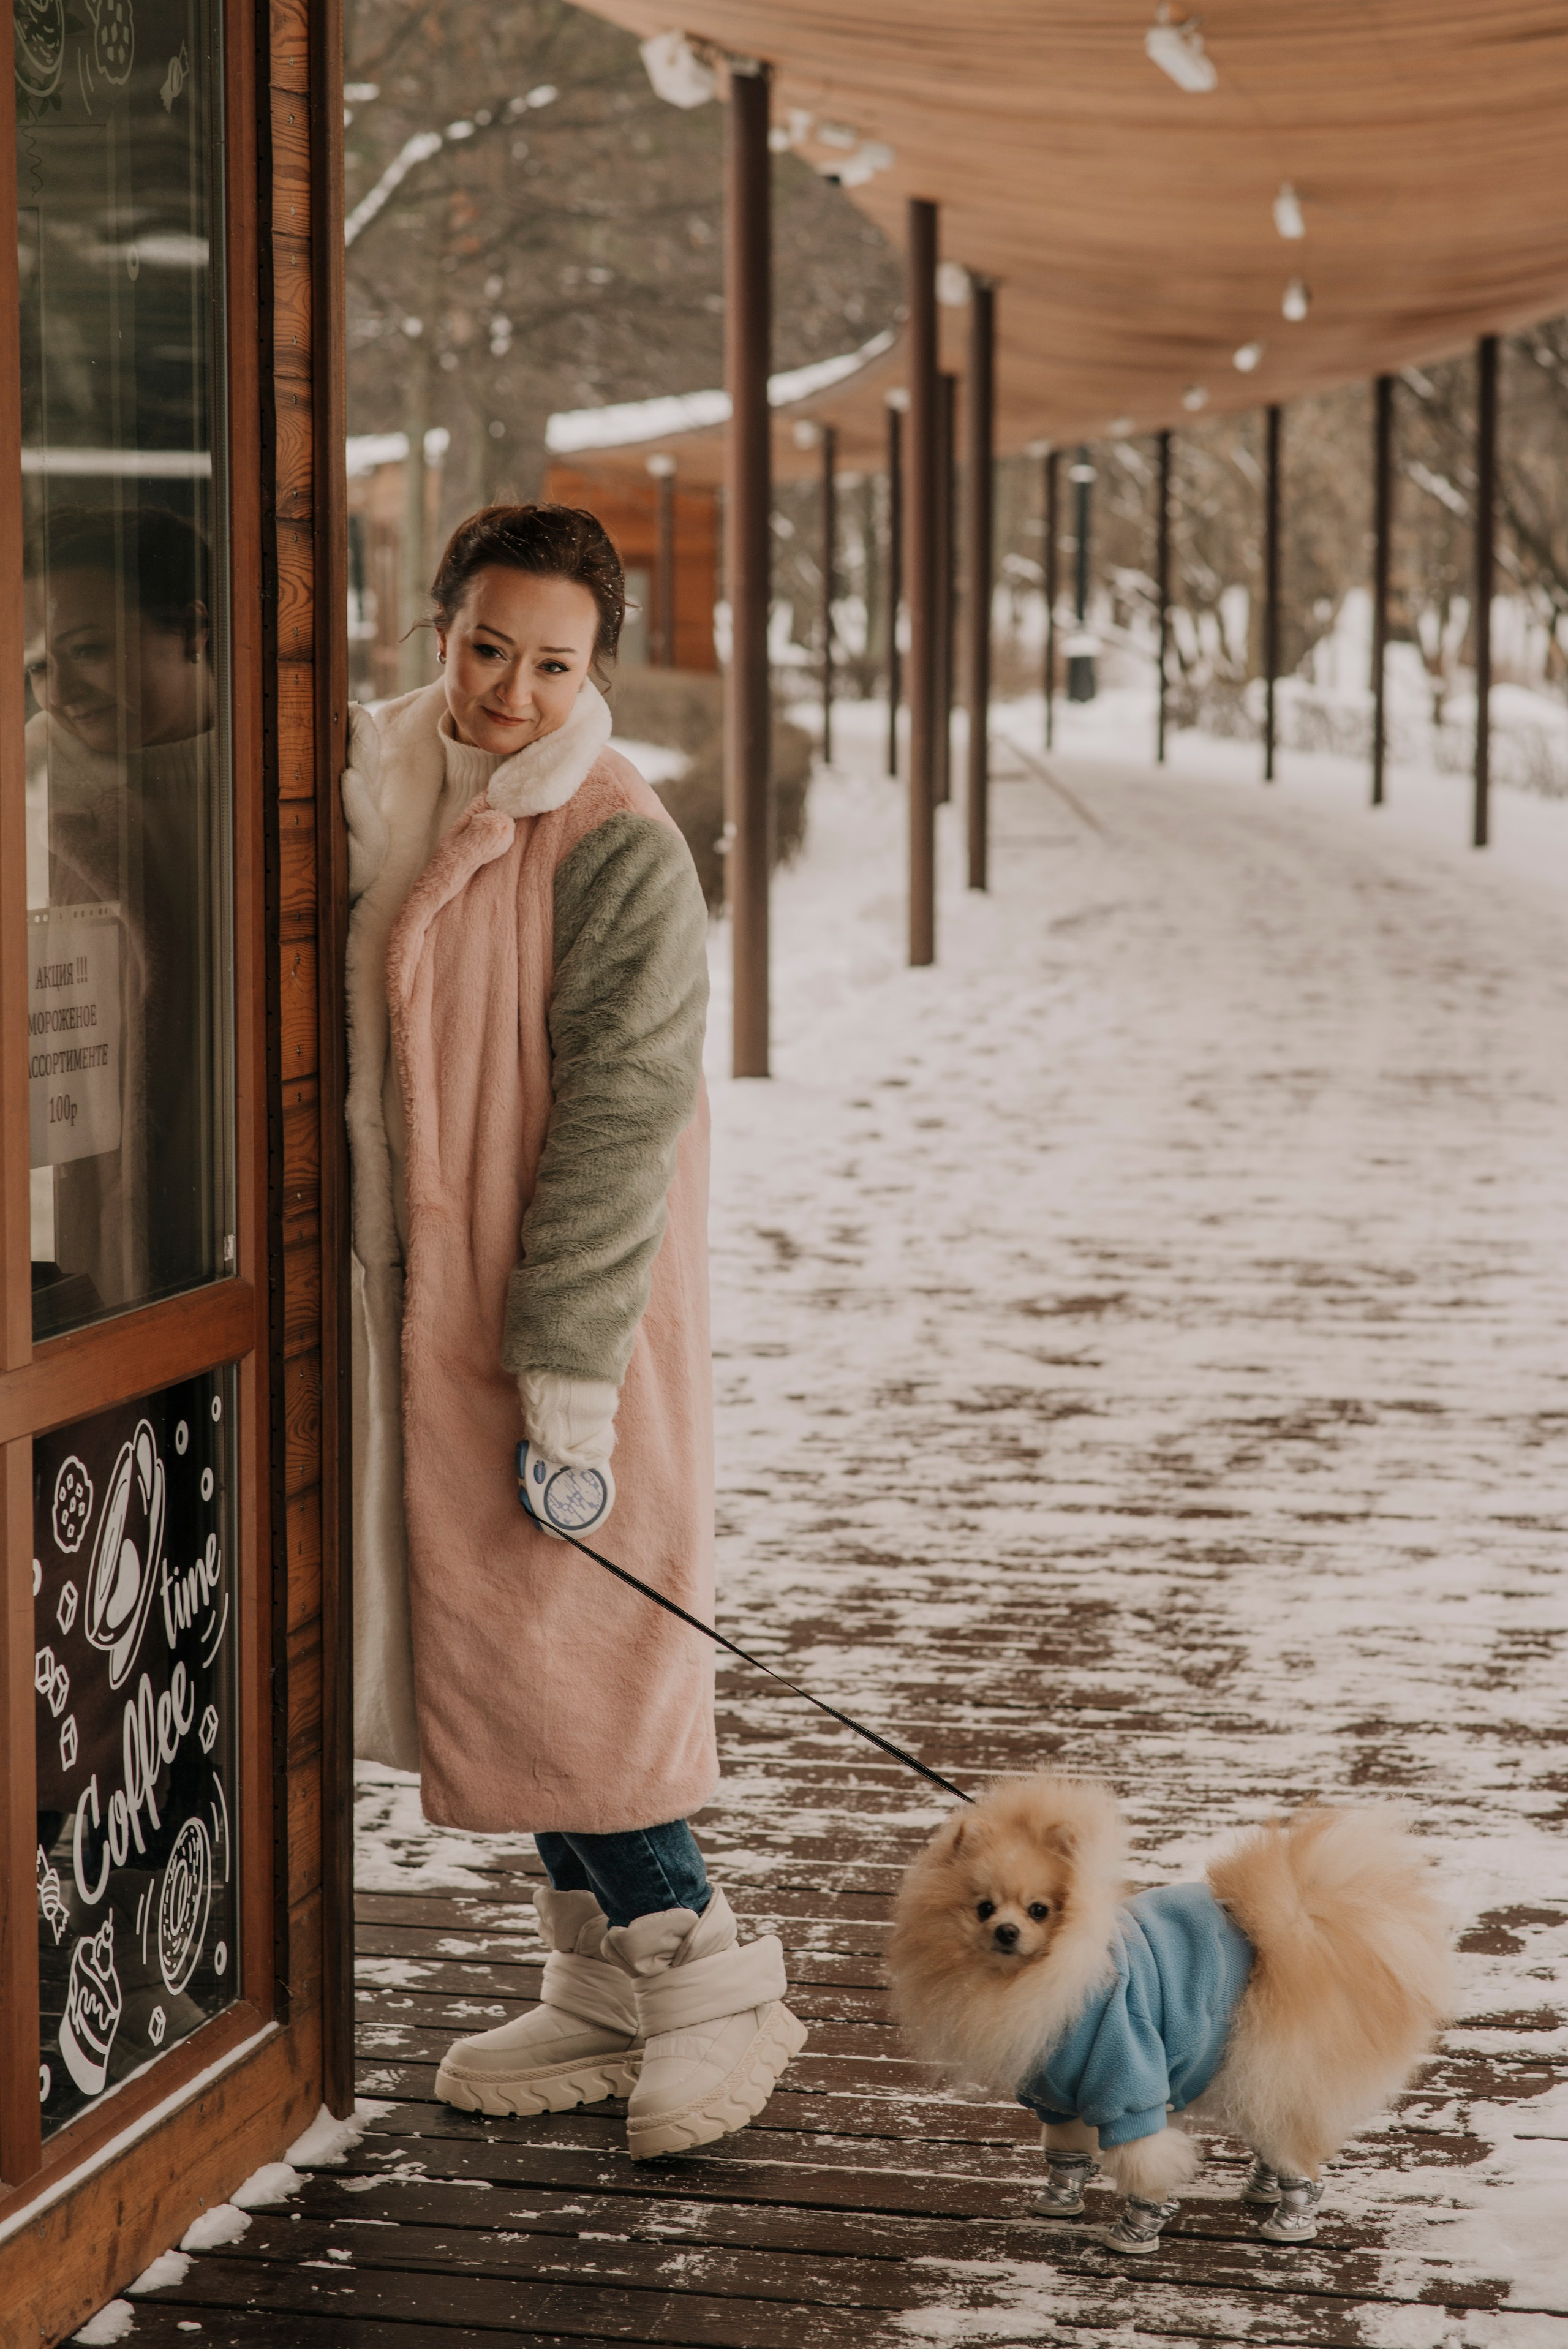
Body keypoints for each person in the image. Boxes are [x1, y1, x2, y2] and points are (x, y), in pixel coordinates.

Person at [342, 503, 804, 2160]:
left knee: (581, 1649)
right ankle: (601, 1978)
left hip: (560, 1322)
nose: (513, 690)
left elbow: (619, 1125)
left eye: (555, 663)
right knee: (506, 1652)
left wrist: (566, 1383)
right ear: (437, 628)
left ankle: (708, 1970)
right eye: (486, 647)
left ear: (594, 667)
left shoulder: (613, 838)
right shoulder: (379, 783)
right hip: (410, 1301)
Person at [22, 504, 221, 1328]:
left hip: (264, 1249)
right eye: (38, 665)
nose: (60, 692)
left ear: (194, 632)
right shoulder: (25, 796)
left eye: (89, 650)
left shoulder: (309, 780)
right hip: (84, 1280)